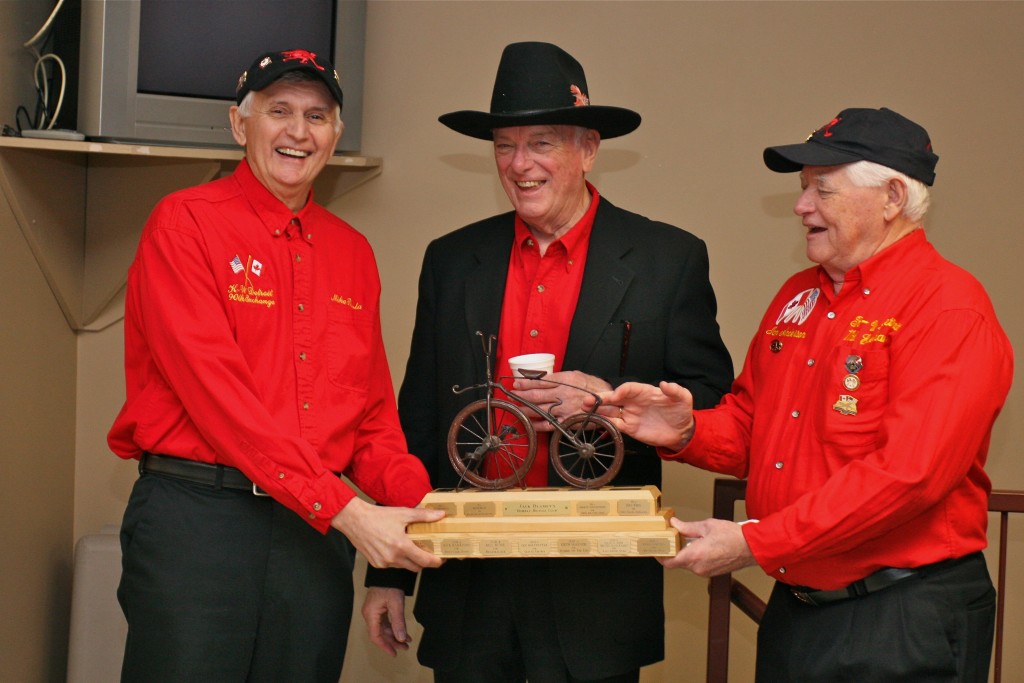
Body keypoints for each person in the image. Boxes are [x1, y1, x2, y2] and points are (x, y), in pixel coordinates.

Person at [596, 107, 1013, 681]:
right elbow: (755, 430)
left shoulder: (947, 307)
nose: (800, 205)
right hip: (800, 610)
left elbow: (908, 475)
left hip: (902, 618)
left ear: (892, 196)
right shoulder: (799, 296)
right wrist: (688, 430)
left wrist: (758, 542)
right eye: (802, 188)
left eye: (822, 188)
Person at [362, 41, 734, 683]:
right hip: (469, 577)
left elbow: (705, 403)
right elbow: (418, 417)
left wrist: (611, 403)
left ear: (588, 148)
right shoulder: (452, 261)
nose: (519, 163)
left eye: (542, 143)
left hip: (596, 592)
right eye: (505, 145)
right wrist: (389, 572)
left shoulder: (667, 260)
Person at [107, 49, 444, 683]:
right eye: (279, 111)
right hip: (199, 522)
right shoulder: (184, 224)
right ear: (241, 125)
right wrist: (346, 510)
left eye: (317, 116)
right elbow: (220, 402)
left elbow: (371, 421)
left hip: (310, 543)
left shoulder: (352, 253)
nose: (298, 131)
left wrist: (435, 510)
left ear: (336, 136)